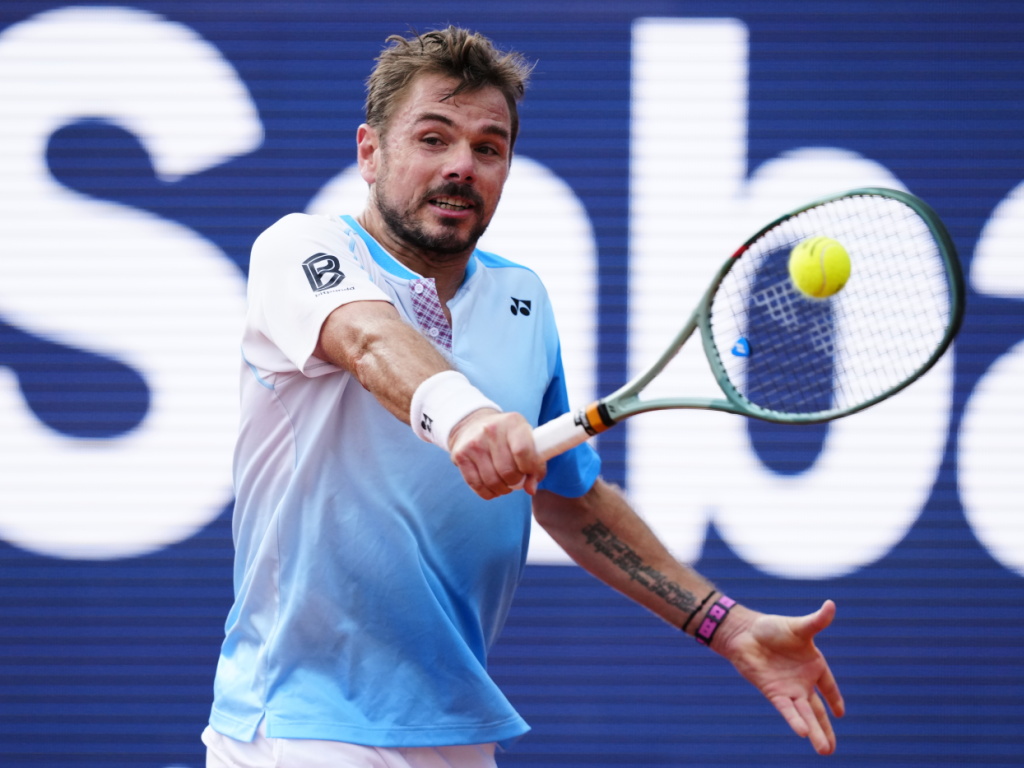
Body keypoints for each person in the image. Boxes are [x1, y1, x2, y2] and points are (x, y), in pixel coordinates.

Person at [204, 26, 845, 768]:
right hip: (299, 723)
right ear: (370, 152)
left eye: (489, 148)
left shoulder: (523, 299)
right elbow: (368, 339)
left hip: (455, 729)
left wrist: (726, 625)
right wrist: (466, 418)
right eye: (433, 139)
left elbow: (569, 499)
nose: (461, 166)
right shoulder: (301, 250)